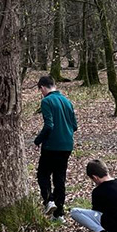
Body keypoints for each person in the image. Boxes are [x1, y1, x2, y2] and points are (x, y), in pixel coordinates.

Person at [34, 75, 78, 219]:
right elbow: (74, 126)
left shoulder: (46, 101)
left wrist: (38, 140)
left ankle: (49, 200)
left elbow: (49, 125)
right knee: (60, 178)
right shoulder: (67, 101)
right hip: (67, 145)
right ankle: (59, 214)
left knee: (43, 174)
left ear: (42, 88)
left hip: (51, 145)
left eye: (40, 90)